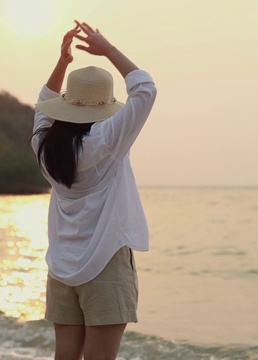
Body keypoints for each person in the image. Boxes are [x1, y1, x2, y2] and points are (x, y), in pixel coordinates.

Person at [31, 20, 157, 360]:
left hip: (61, 266)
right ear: (104, 107)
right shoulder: (106, 141)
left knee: (66, 356)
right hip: (105, 262)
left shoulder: (45, 148)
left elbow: (42, 107)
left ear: (66, 105)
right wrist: (109, 49)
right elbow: (145, 89)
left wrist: (62, 63)